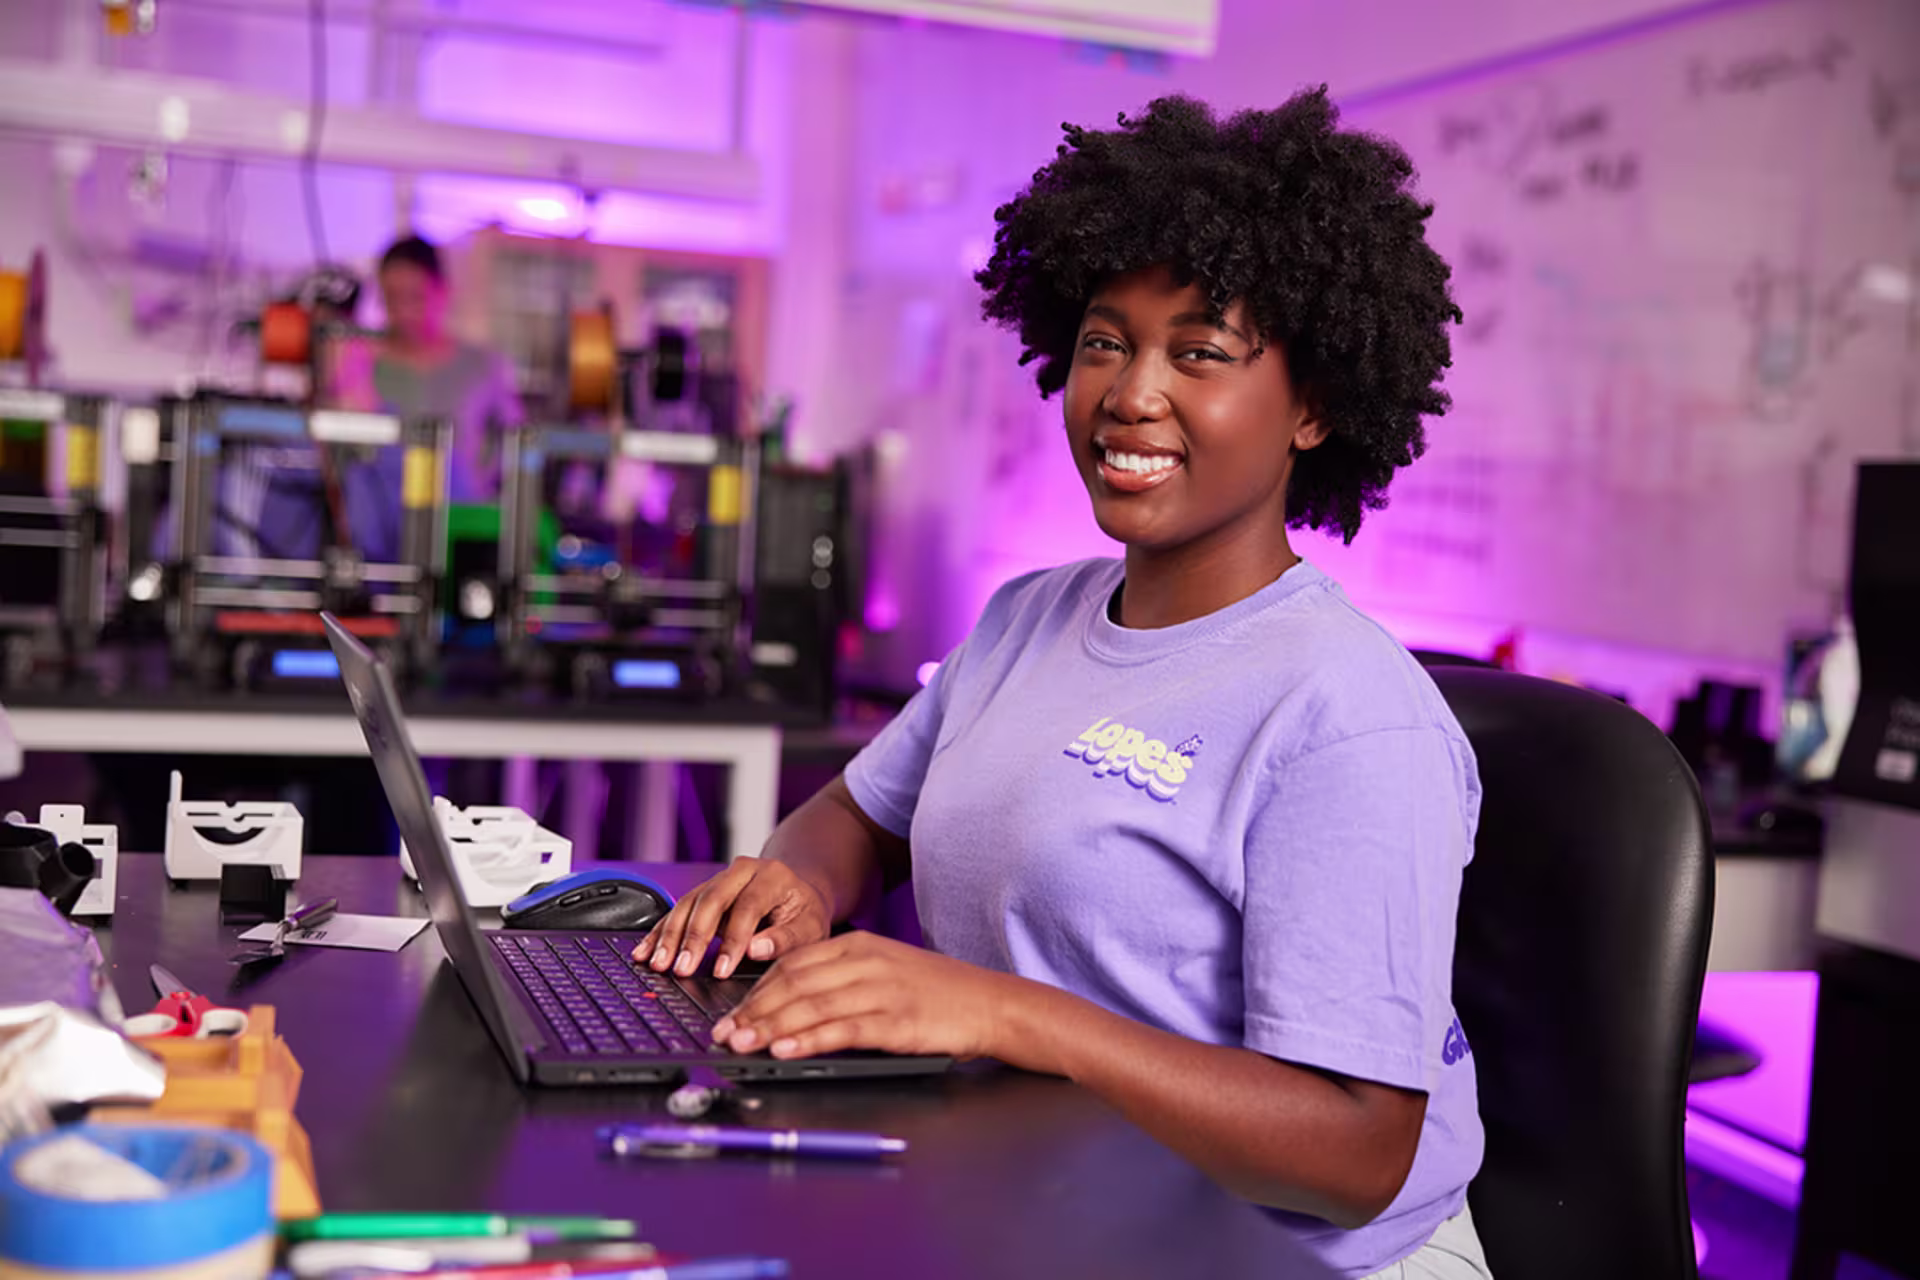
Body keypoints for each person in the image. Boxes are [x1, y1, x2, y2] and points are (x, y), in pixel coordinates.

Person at [638, 88, 1490, 1280]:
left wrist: (1003, 1012)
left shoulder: (1349, 714)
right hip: (1053, 1199)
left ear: (1315, 406)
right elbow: (858, 813)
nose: (1131, 393)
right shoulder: (1025, 617)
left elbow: (1358, 1149)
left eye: (1200, 352)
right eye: (1105, 340)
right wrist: (797, 882)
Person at [327, 234, 524, 509]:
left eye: (415, 297)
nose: (404, 311)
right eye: (393, 299)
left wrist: (486, 494)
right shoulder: (361, 364)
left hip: (459, 524)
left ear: (443, 291)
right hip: (381, 530)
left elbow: (519, 446)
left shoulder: (482, 366)